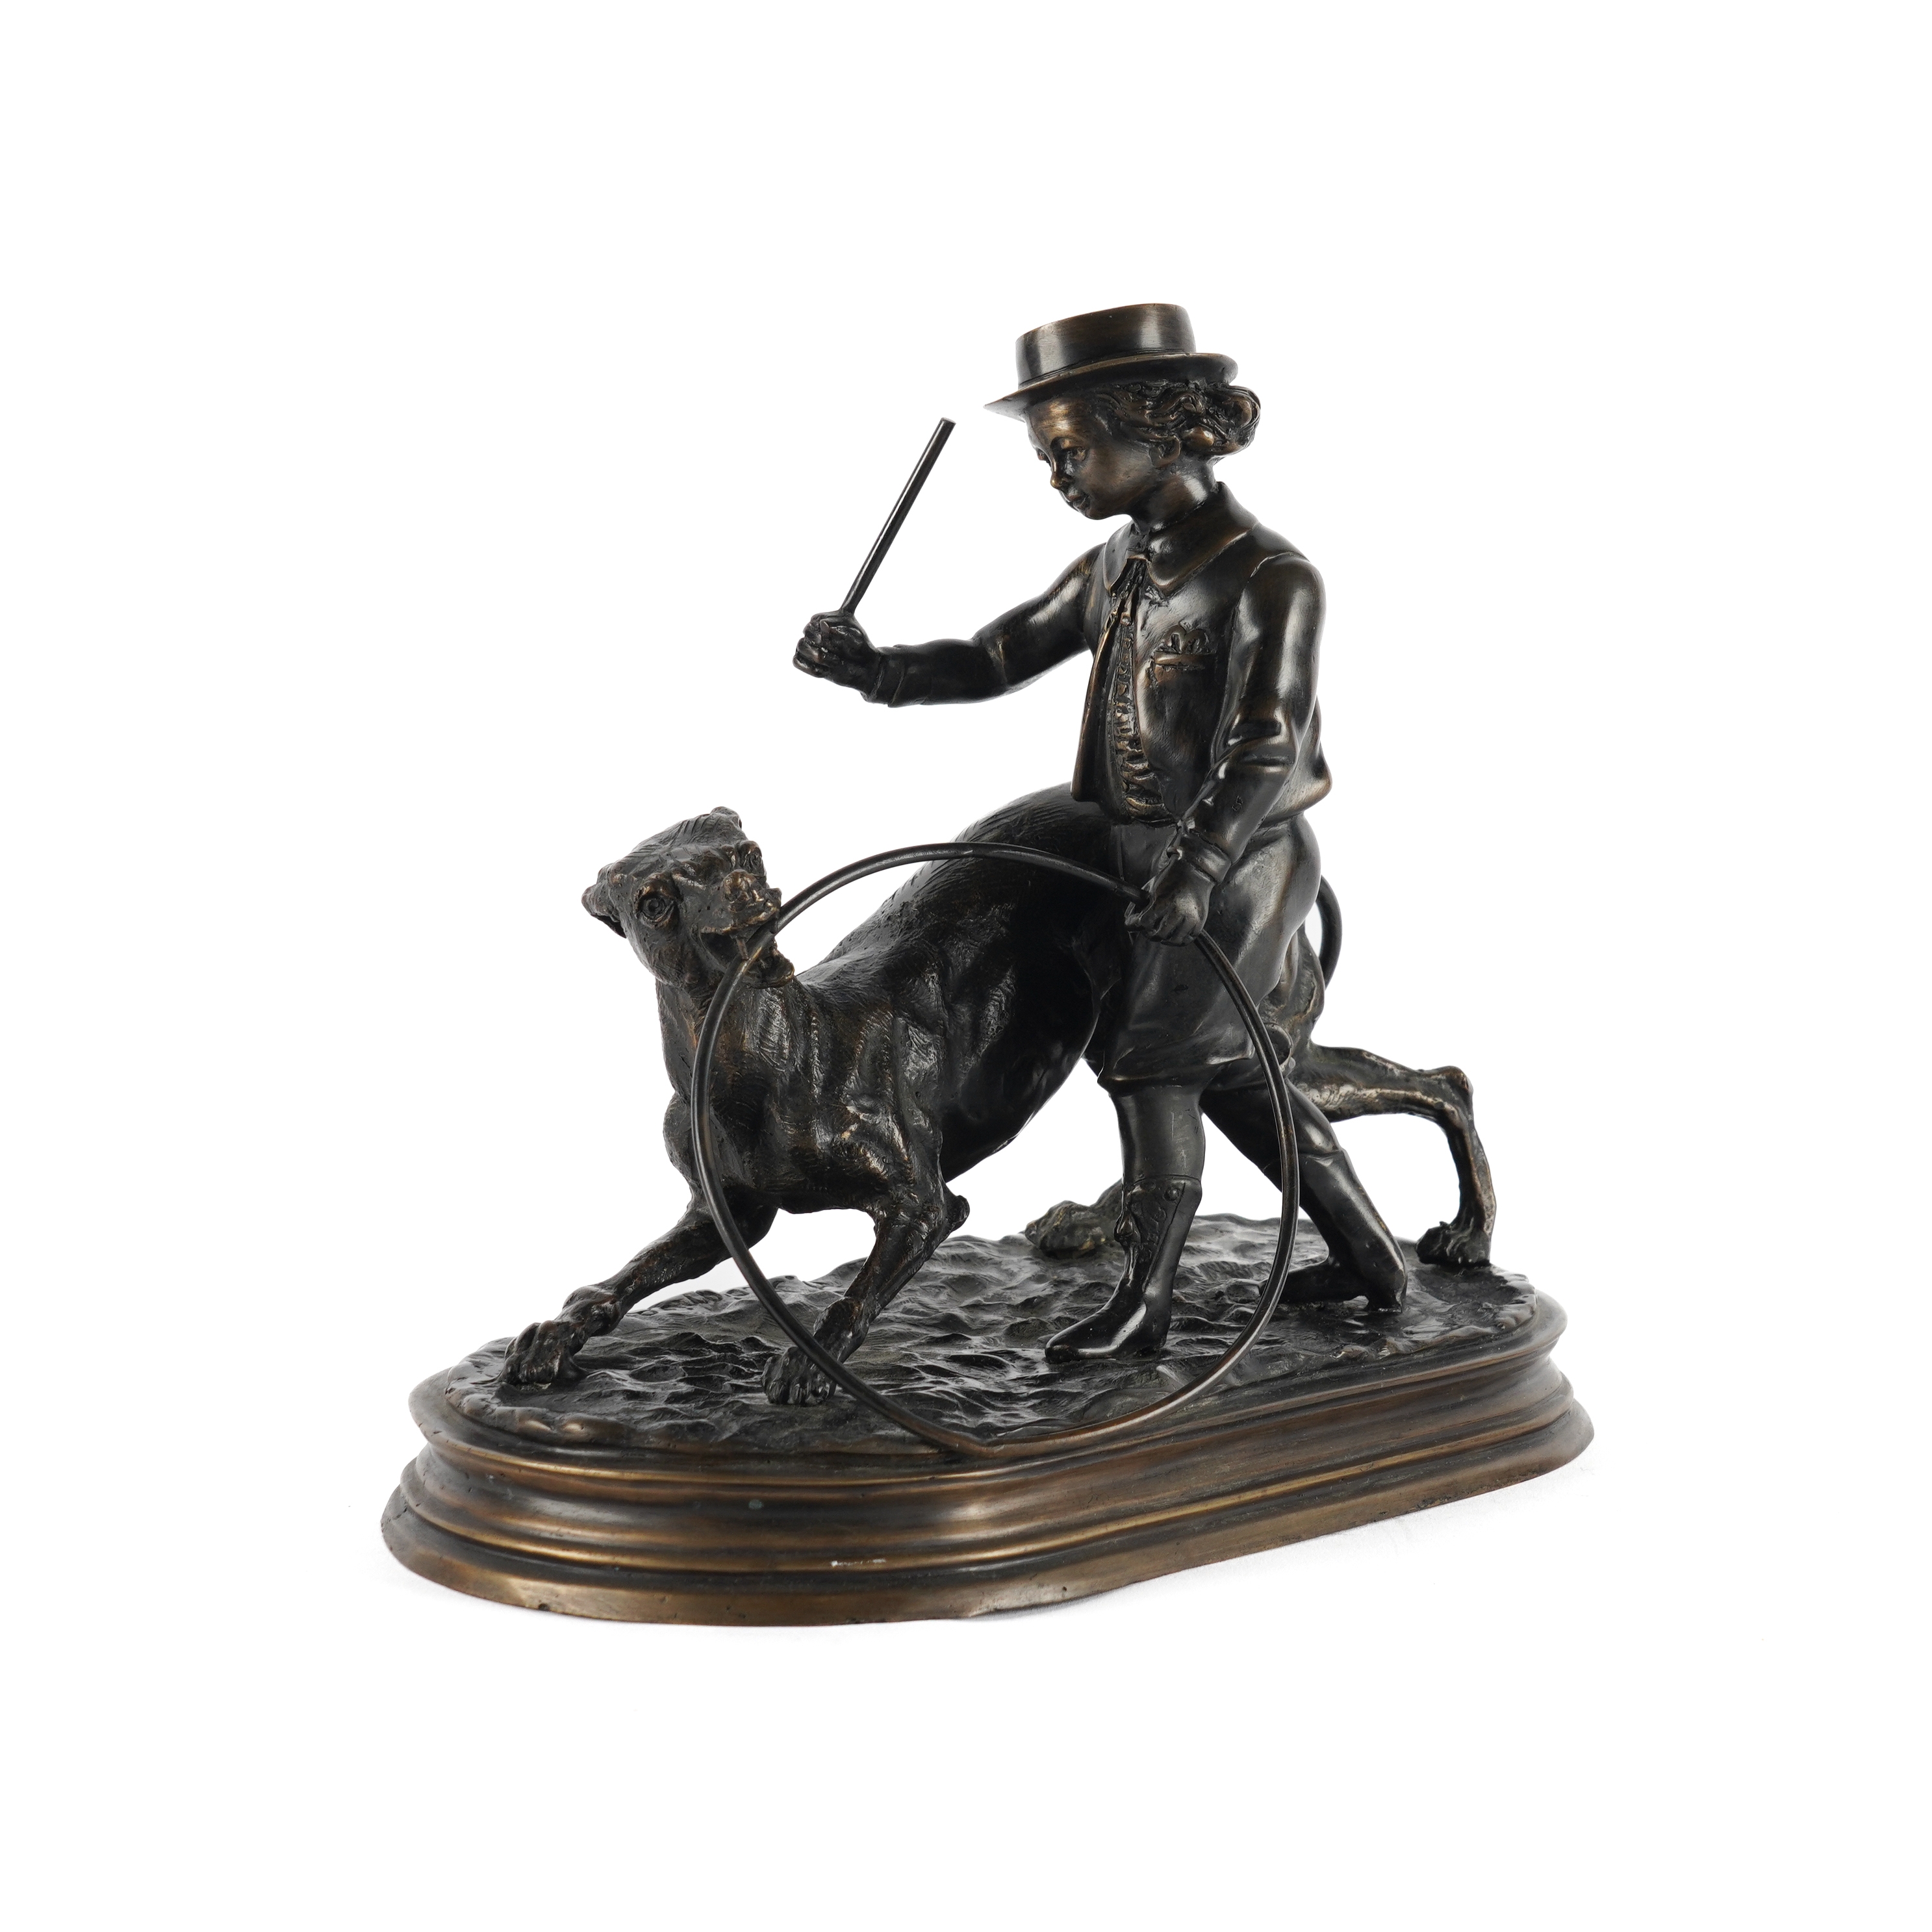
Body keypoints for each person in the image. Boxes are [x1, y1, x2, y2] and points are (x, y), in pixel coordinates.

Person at [794, 303, 1405, 1361]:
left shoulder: (1267, 576)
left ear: (1159, 431)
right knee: (1233, 1077)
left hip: (1238, 859)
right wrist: (879, 670)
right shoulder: (1112, 566)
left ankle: (1146, 1301)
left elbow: (1264, 744)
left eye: (1070, 451)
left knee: (1148, 1064)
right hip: (1133, 859)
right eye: (1046, 456)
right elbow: (996, 656)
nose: (1056, 477)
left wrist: (1197, 867)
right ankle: (1370, 1257)